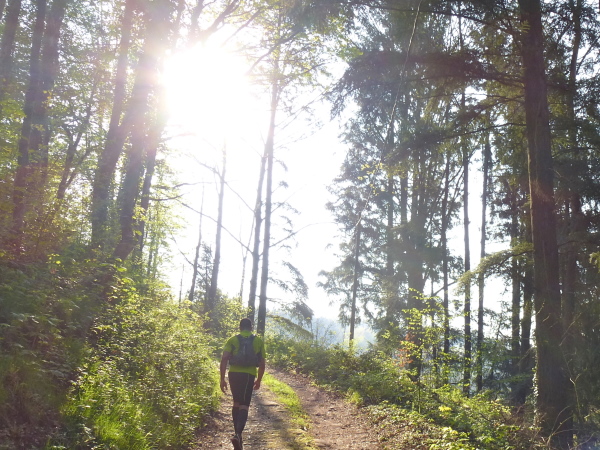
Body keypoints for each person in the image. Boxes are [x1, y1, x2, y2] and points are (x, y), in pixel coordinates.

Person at [220, 318, 265, 450]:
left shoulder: (232, 340)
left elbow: (224, 358)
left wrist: (222, 379)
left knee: (236, 403)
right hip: (248, 375)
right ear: (251, 327)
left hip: (233, 373)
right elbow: (262, 363)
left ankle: (237, 436)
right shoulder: (258, 341)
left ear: (240, 327)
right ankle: (238, 435)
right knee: (244, 405)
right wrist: (259, 380)